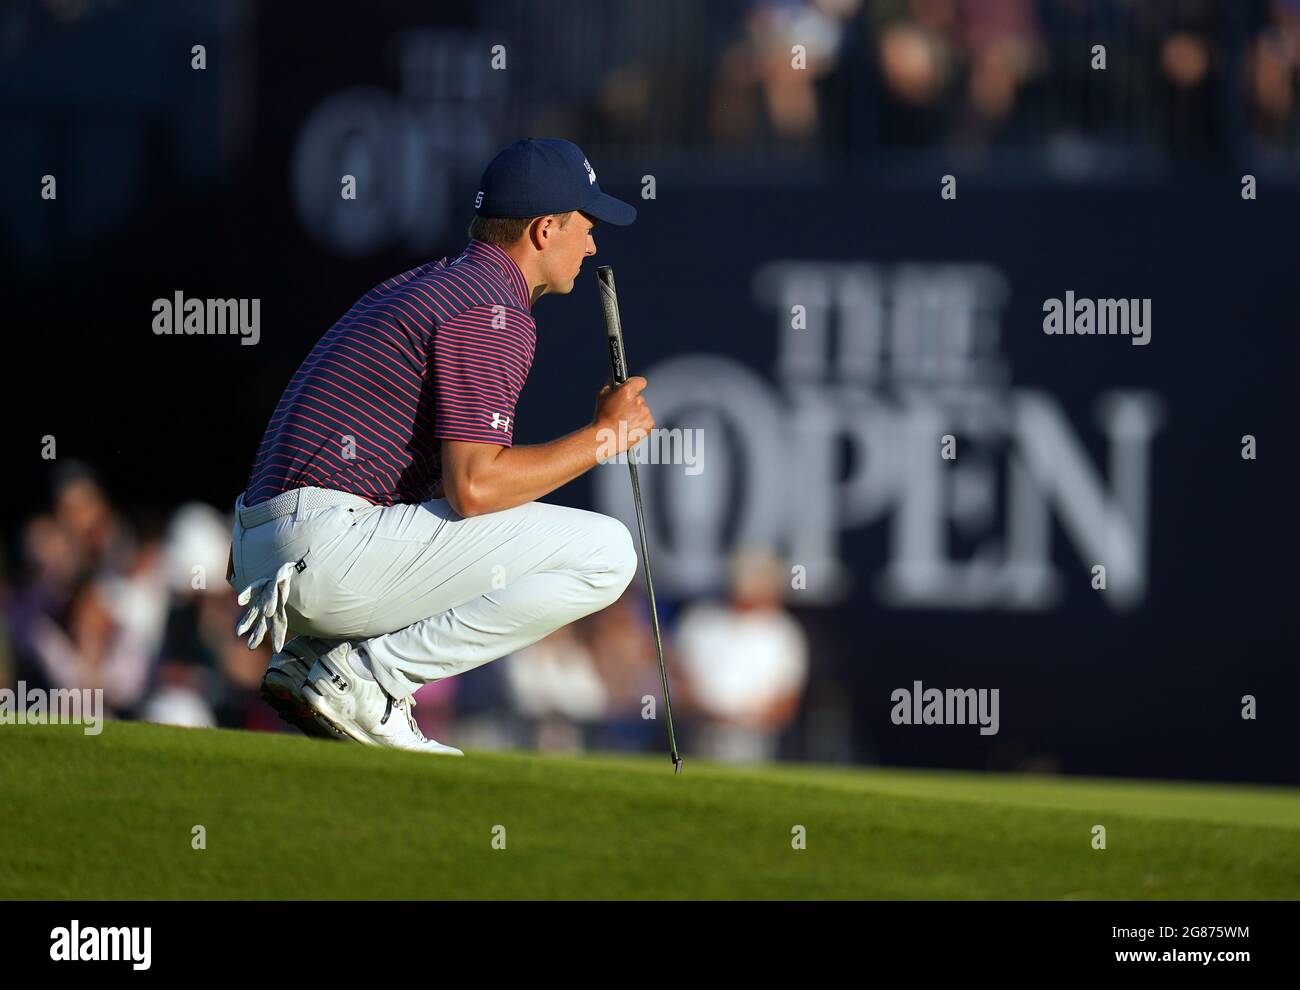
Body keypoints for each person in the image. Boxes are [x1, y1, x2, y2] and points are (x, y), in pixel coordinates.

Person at [227, 138, 653, 755]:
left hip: (269, 550)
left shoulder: (428, 283)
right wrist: (605, 437)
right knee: (608, 553)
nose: (592, 245)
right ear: (543, 230)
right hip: (320, 549)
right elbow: (475, 488)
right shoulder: (491, 307)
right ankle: (369, 678)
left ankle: (317, 660)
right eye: (585, 227)